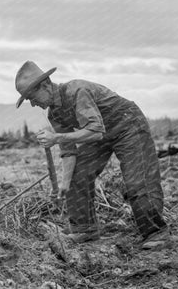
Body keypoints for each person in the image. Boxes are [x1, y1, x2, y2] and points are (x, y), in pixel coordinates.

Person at [15, 60, 169, 249]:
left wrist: (55, 137)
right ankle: (84, 228)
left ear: (46, 85)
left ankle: (155, 233)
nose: (32, 103)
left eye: (32, 96)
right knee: (77, 176)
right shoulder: (54, 114)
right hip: (100, 134)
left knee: (138, 179)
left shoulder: (76, 91)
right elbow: (69, 149)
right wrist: (65, 183)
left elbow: (95, 131)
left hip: (127, 124)